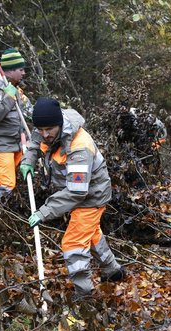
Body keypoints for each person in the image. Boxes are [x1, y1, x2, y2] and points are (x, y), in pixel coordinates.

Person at [19, 97, 125, 301]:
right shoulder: (46, 129)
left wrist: (44, 211)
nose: (44, 134)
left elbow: (77, 192)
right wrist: (28, 160)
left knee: (73, 243)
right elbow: (34, 139)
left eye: (48, 129)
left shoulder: (79, 148)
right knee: (91, 235)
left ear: (59, 124)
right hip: (75, 193)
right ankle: (113, 271)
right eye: (41, 129)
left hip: (90, 197)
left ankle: (85, 295)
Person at [0, 47, 33, 202]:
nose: (24, 73)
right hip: (2, 145)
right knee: (6, 186)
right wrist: (9, 97)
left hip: (18, 143)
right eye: (20, 69)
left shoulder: (16, 88)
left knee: (24, 177)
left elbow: (29, 113)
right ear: (9, 71)